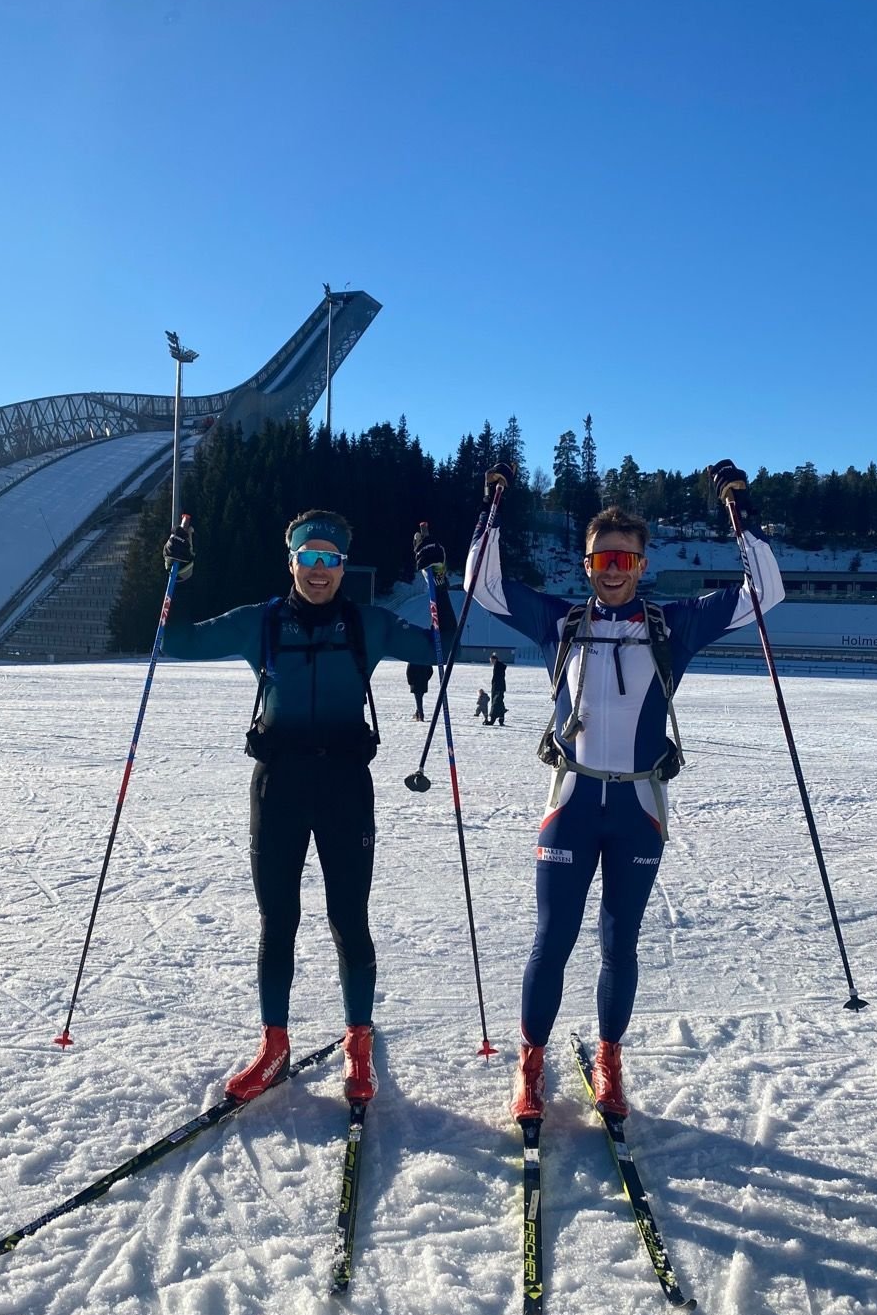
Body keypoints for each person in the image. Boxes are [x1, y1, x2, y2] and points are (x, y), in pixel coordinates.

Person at [466, 459, 784, 1121]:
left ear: (643, 565)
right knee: (551, 940)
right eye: (602, 557)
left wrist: (742, 513)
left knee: (620, 941)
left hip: (639, 807)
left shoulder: (673, 626)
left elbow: (767, 592)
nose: (614, 567)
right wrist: (489, 509)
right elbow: (482, 585)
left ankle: (609, 1061)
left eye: (626, 558)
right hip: (572, 803)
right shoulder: (559, 622)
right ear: (587, 564)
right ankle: (531, 1064)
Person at [161, 508, 454, 1104]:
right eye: (309, 557)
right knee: (279, 921)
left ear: (343, 565)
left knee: (350, 919)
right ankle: (274, 1046)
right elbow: (174, 641)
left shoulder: (366, 624)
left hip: (346, 787)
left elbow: (441, 645)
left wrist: (437, 584)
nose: (319, 571)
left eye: (331, 559)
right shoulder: (261, 624)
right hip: (279, 789)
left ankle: (358, 1044)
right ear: (290, 559)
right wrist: (177, 577)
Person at [488, 651, 508, 726]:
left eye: (491, 660)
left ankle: (492, 720)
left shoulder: (498, 666)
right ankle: (501, 719)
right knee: (499, 703)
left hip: (498, 687)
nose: (491, 662)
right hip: (499, 687)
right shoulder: (498, 666)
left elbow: (498, 678)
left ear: (494, 660)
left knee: (495, 703)